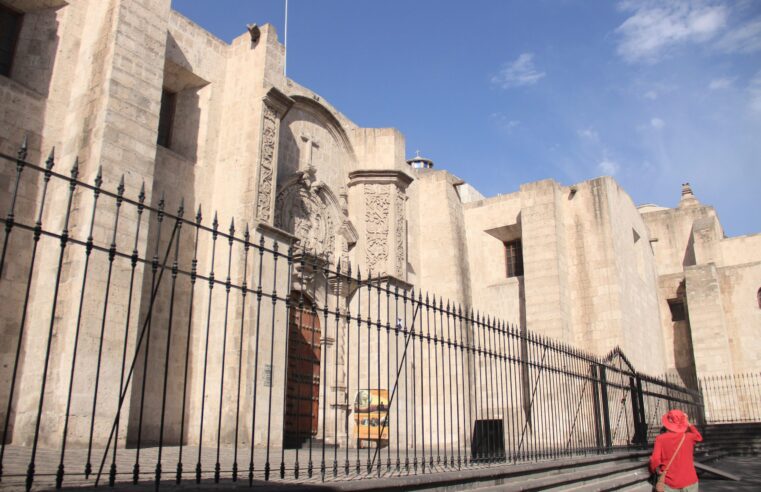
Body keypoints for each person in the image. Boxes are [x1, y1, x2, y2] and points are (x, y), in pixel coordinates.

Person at [649, 409, 703, 491]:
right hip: (690, 481)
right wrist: (688, 423)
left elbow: (655, 460)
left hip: (670, 482)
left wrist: (653, 471)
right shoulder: (689, 437)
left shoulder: (660, 439)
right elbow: (699, 437)